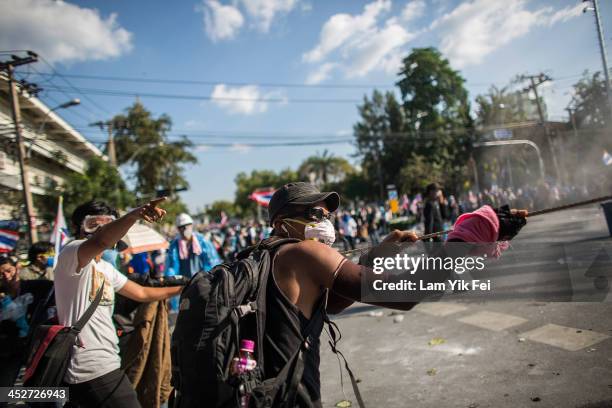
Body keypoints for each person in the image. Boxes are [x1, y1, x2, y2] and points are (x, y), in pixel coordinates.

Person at [259, 182, 526, 406]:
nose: (326, 222)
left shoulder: (267, 255)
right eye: (316, 214)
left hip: (264, 394)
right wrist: (465, 238)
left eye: (328, 216)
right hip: (289, 396)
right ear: (282, 224)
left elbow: (333, 303)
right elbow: (406, 294)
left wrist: (377, 255)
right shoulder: (305, 252)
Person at [53, 199, 183, 408]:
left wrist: (185, 289)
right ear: (78, 228)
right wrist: (134, 215)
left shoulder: (105, 267)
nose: (101, 229)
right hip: (91, 367)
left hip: (106, 362)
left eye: (107, 223)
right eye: (94, 224)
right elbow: (101, 241)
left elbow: (141, 292)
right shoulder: (71, 253)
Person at [0, 254, 54, 387]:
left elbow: (58, 288)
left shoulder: (37, 287)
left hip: (34, 345)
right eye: (1, 274)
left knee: (43, 392)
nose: (6, 276)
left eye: (8, 271)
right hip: (7, 348)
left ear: (17, 268)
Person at [165, 213, 222, 279]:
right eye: (181, 227)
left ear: (191, 225)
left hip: (202, 281)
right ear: (178, 229)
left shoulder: (202, 242)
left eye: (187, 225)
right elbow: (172, 266)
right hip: (184, 283)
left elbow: (211, 263)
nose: (185, 228)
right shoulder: (175, 245)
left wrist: (205, 276)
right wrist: (171, 278)